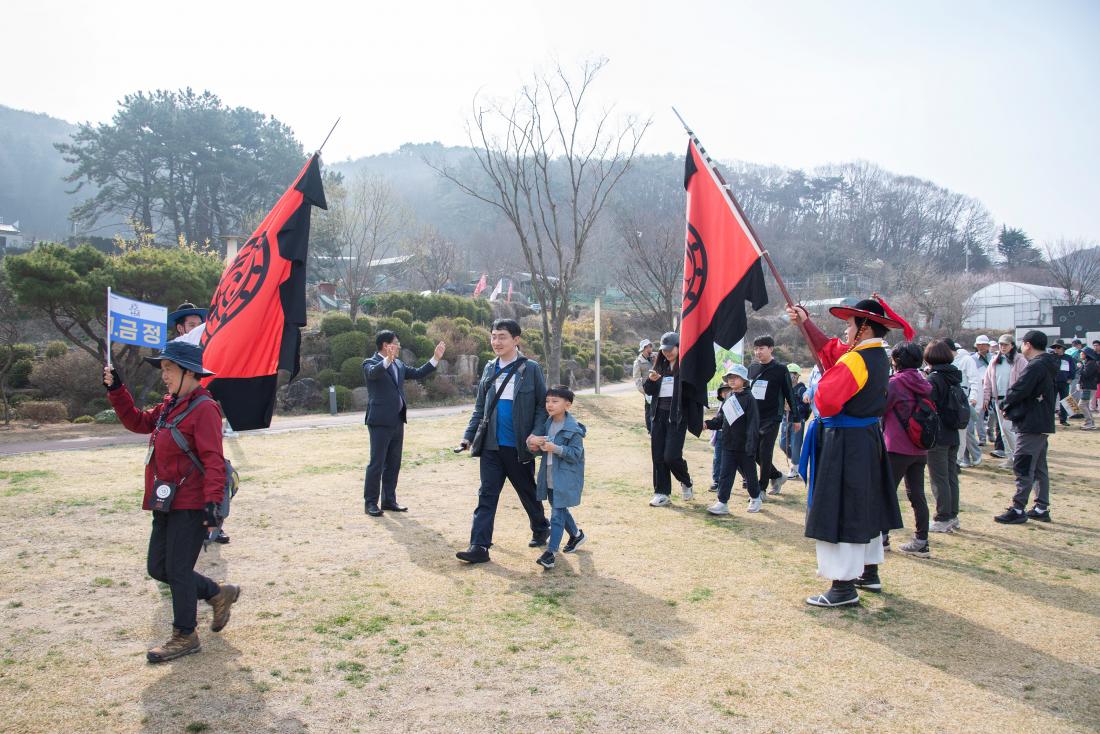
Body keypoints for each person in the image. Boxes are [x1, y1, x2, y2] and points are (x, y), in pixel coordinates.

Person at [103, 341, 240, 662]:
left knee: (178, 570)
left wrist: (212, 510)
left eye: (169, 369)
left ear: (189, 372)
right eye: (163, 369)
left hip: (192, 504)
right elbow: (138, 422)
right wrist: (118, 390)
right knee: (158, 567)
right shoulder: (170, 405)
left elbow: (213, 460)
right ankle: (218, 593)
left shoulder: (204, 408)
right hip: (165, 500)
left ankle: (185, 635)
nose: (164, 375)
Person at [787, 296, 907, 607]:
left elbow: (826, 400)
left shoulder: (856, 360)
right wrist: (805, 323)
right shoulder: (877, 355)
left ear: (864, 328)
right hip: (866, 438)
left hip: (845, 441)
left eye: (850, 325)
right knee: (863, 504)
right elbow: (830, 351)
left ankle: (842, 586)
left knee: (840, 509)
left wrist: (818, 386)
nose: (845, 331)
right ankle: (868, 571)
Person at [455, 319, 550, 564]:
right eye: (494, 336)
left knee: (527, 491)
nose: (496, 342)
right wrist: (468, 436)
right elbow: (480, 408)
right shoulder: (489, 368)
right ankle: (479, 546)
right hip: (491, 446)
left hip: (519, 446)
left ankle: (540, 527)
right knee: (486, 495)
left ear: (516, 340)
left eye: (502, 337)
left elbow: (542, 406)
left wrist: (536, 434)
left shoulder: (531, 369)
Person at [361, 330, 446, 516]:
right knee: (377, 463)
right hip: (380, 421)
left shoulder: (399, 364)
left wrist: (435, 359)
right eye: (396, 343)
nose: (399, 346)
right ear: (386, 345)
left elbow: (417, 373)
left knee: (393, 463)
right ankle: (370, 503)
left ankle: (389, 500)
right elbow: (374, 374)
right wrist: (387, 361)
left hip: (398, 420)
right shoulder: (370, 363)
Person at [995, 331, 1058, 524]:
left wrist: (1006, 404)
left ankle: (1018, 508)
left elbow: (1020, 389)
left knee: (1023, 465)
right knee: (1039, 466)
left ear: (1028, 345)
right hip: (1041, 421)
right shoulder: (1048, 364)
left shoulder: (1036, 365)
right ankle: (1041, 506)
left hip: (1031, 422)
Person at [527, 386, 587, 569]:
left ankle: (551, 553)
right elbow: (540, 448)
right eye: (547, 401)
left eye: (555, 401)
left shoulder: (573, 429)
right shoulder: (546, 423)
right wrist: (535, 445)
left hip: (565, 477)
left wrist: (556, 449)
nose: (549, 405)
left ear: (567, 405)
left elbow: (576, 454)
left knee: (556, 515)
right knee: (559, 508)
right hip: (549, 474)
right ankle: (577, 535)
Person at [882, 342, 933, 557]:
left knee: (885, 493)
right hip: (920, 446)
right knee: (917, 494)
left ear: (897, 360)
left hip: (896, 446)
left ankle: (881, 537)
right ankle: (922, 539)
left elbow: (881, 408)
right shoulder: (923, 381)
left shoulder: (895, 382)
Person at [642, 332, 701, 507]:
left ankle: (686, 481)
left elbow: (692, 391)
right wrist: (651, 381)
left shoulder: (686, 368)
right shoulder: (659, 366)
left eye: (671, 349)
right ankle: (662, 492)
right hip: (658, 416)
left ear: (679, 347)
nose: (667, 353)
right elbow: (649, 391)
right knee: (658, 456)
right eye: (664, 350)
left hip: (677, 417)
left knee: (671, 456)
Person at [748, 335, 799, 495]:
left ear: (771, 349)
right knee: (753, 452)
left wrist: (796, 418)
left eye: (761, 348)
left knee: (765, 452)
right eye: (756, 349)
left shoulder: (780, 369)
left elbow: (789, 394)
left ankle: (761, 489)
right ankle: (776, 476)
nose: (758, 352)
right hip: (754, 417)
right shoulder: (752, 368)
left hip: (772, 417)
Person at [705, 365, 760, 515]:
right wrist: (707, 424)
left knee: (750, 474)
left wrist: (751, 444)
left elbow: (753, 423)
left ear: (744, 380)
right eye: (729, 378)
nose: (732, 380)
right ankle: (722, 502)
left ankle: (755, 497)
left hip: (745, 446)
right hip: (728, 443)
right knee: (725, 473)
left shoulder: (750, 399)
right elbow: (721, 419)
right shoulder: (729, 397)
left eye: (735, 377)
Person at [926, 340, 964, 534]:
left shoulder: (934, 378)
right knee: (950, 476)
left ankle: (943, 517)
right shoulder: (954, 375)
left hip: (938, 434)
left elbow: (927, 405)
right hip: (953, 431)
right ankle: (953, 515)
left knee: (938, 477)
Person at [983, 334, 1027, 469]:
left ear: (1012, 345)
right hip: (998, 400)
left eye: (1005, 344)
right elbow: (988, 381)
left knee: (1008, 429)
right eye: (1001, 344)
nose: (1002, 347)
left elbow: (1024, 381)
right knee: (1003, 432)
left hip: (1013, 400)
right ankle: (1011, 458)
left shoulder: (1020, 360)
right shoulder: (995, 361)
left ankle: (1018, 458)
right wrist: (986, 397)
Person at [948, 339, 982, 468]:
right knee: (963, 431)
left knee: (965, 431)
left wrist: (973, 397)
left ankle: (964, 458)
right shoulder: (948, 361)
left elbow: (974, 380)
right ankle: (964, 458)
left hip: (965, 400)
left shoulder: (967, 360)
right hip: (955, 400)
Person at [782, 364, 809, 479]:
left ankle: (795, 468)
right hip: (785, 420)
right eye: (788, 373)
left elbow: (806, 406)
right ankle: (797, 460)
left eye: (792, 373)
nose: (790, 376)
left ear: (797, 376)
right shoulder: (784, 388)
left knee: (795, 444)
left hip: (797, 421)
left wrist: (795, 410)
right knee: (782, 444)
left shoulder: (802, 389)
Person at [710, 384, 733, 491]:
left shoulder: (735, 403)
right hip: (719, 434)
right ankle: (716, 481)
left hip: (732, 435)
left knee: (735, 459)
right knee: (717, 458)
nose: (726, 393)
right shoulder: (721, 405)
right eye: (723, 391)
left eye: (728, 390)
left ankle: (746, 478)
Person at [971, 335, 994, 444]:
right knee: (980, 413)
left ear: (988, 346)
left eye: (983, 344)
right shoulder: (972, 359)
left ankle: (990, 430)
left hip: (993, 389)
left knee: (993, 413)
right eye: (979, 344)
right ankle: (982, 437)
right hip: (979, 389)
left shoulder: (994, 357)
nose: (981, 346)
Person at [632, 339, 656, 434]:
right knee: (649, 410)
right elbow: (637, 379)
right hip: (648, 388)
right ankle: (650, 430)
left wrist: (655, 361)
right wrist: (644, 392)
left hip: (657, 386)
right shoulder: (638, 362)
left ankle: (656, 428)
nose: (651, 349)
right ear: (645, 348)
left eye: (651, 346)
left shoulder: (654, 357)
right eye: (649, 347)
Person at [1051, 341, 1075, 426]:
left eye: (1058, 347)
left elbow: (1072, 369)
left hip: (1064, 382)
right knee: (1051, 401)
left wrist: (1071, 378)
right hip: (1053, 382)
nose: (1056, 349)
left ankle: (1063, 419)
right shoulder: (1051, 357)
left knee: (1065, 401)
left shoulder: (1068, 358)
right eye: (1055, 347)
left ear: (1063, 348)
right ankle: (1050, 420)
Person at [1077, 348, 1098, 430]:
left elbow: (1085, 374)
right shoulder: (1088, 362)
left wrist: (1080, 367)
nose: (1081, 355)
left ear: (1087, 354)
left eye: (1082, 353)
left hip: (1088, 387)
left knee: (1082, 404)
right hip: (1088, 387)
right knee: (1085, 405)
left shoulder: (1091, 363)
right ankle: (1091, 423)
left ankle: (1089, 423)